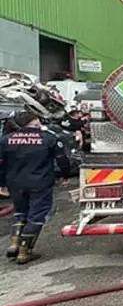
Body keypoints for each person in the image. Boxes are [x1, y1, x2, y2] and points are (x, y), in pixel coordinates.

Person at [1, 111, 71, 264]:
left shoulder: (6, 140)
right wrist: (64, 175)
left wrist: (2, 183)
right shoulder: (49, 138)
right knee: (36, 216)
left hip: (15, 183)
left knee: (20, 213)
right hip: (40, 183)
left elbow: (1, 163)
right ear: (35, 122)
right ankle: (24, 252)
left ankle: (14, 244)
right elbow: (62, 159)